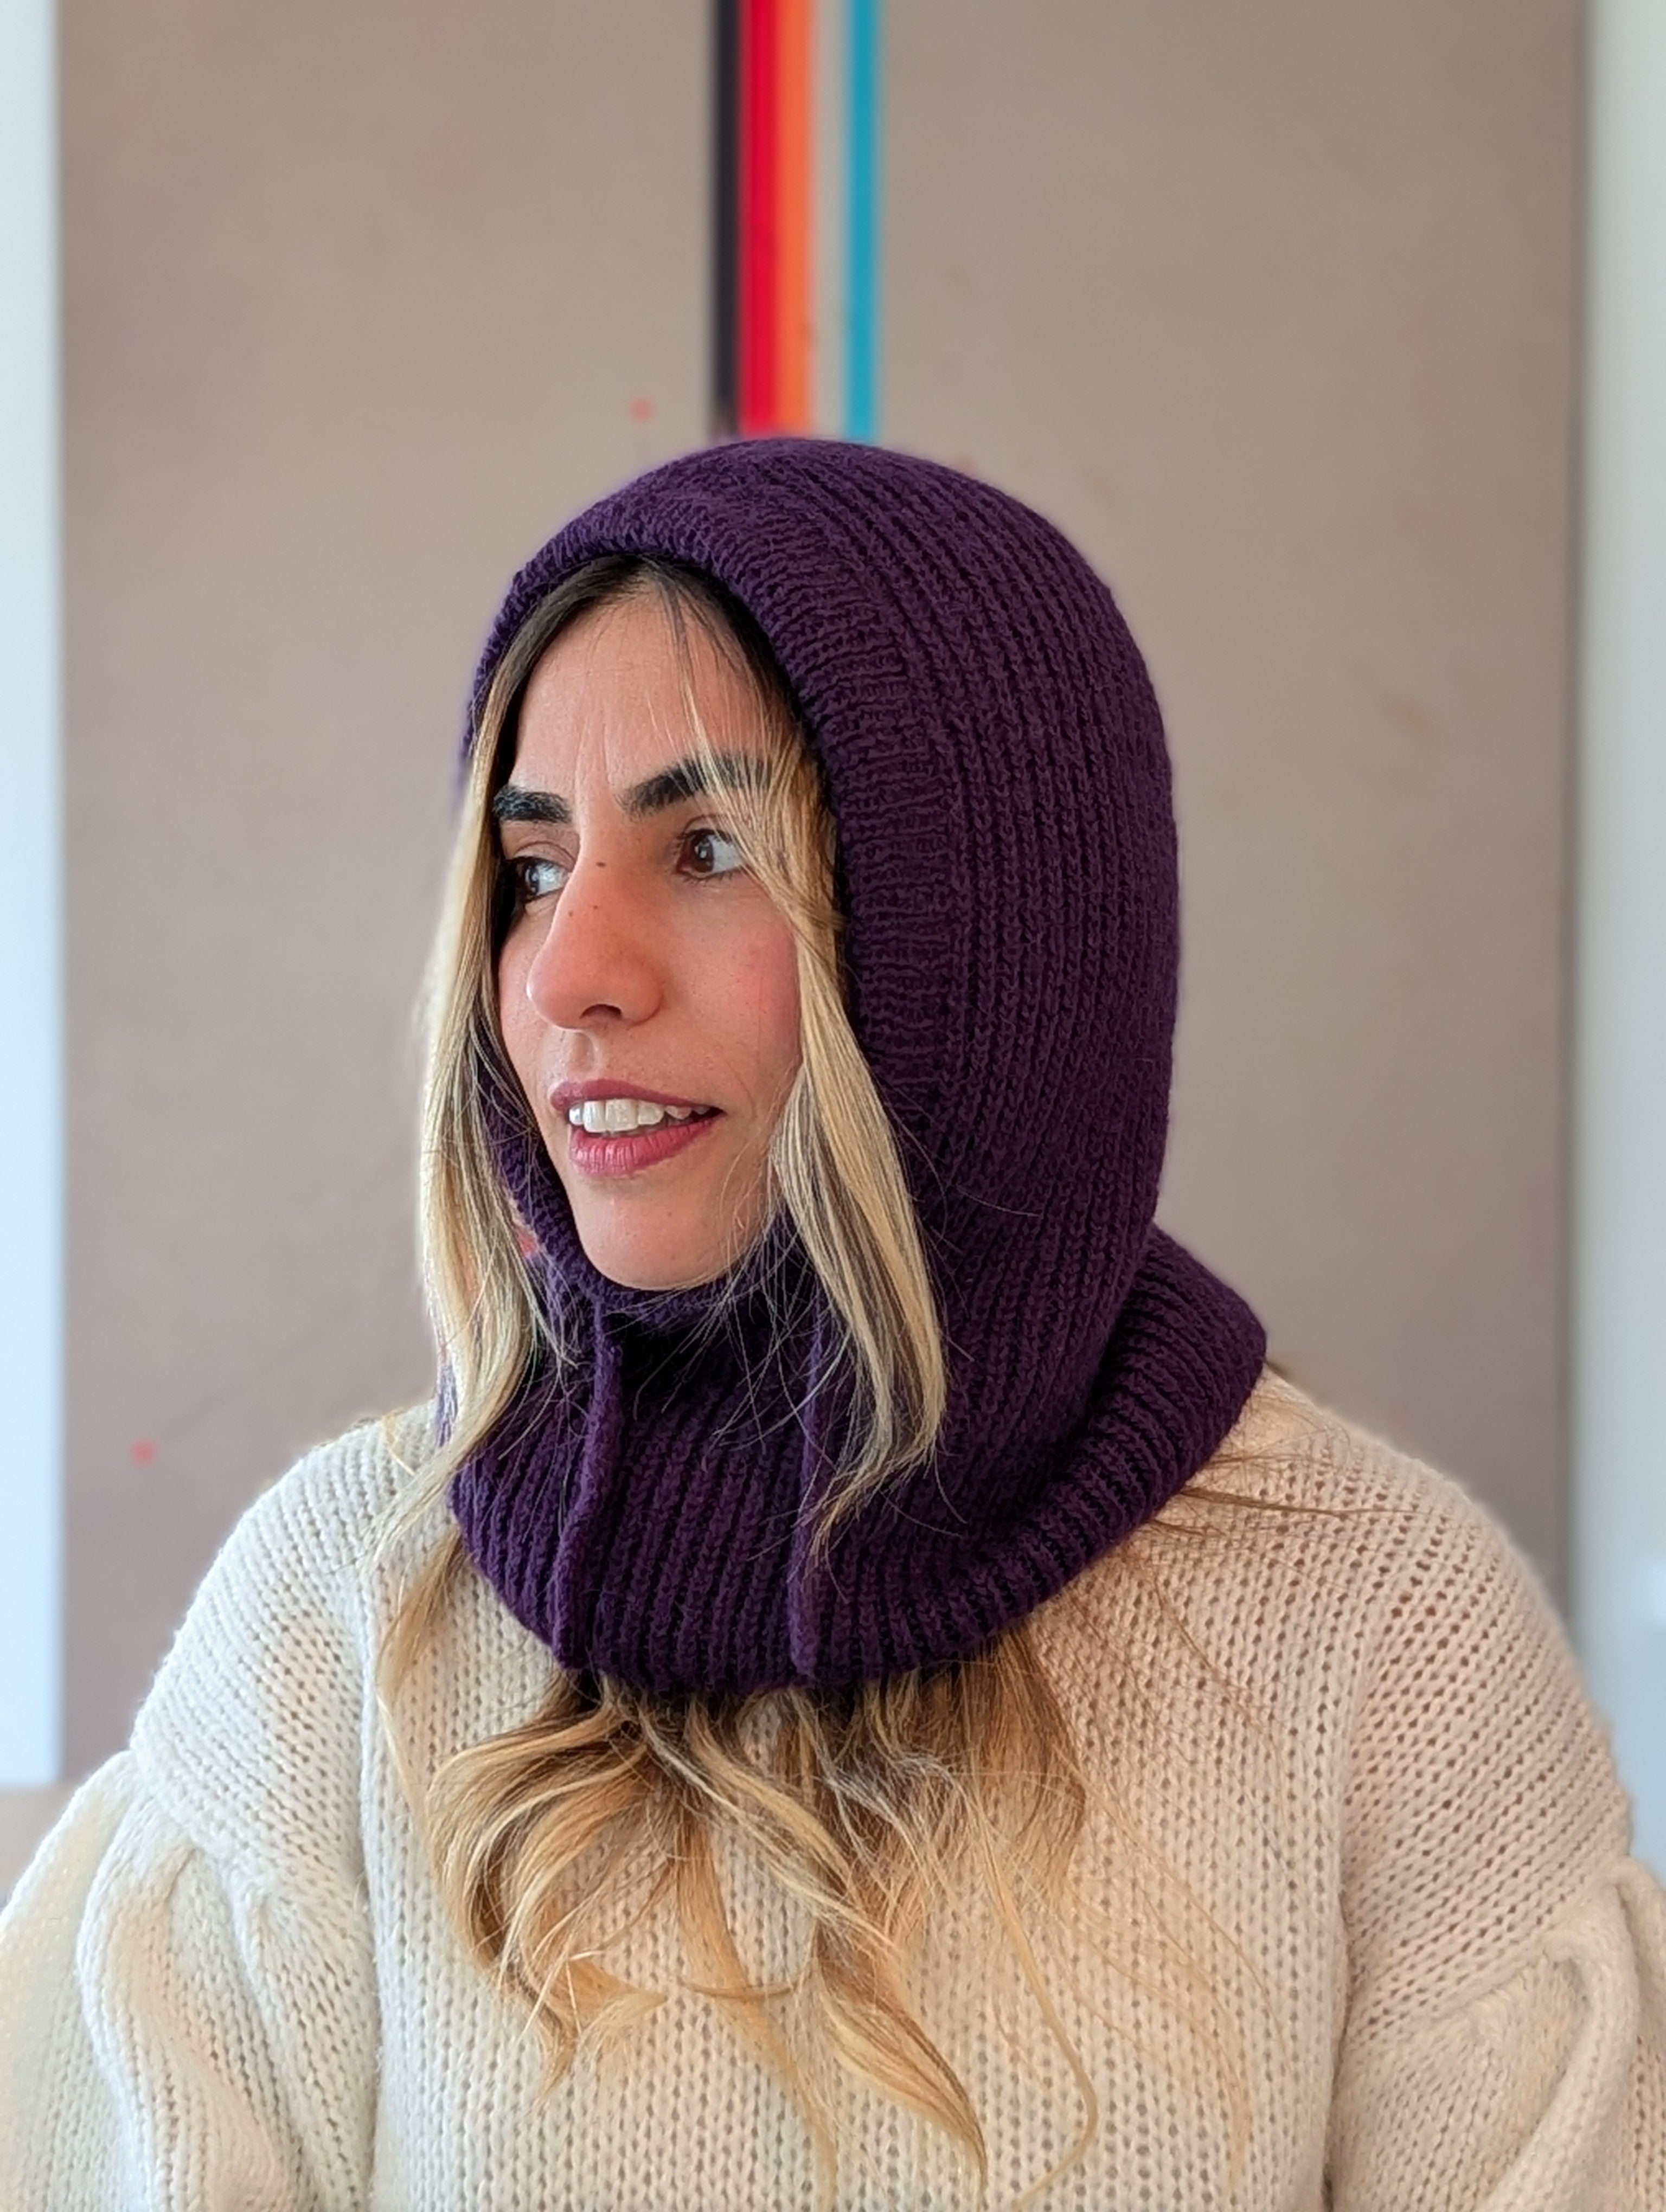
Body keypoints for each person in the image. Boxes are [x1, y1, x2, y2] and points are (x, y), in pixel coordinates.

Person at [2, 439, 1662, 2210]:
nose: (567, 975)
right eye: (534, 865)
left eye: (711, 846)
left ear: (1000, 945)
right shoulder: (336, 1621)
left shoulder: (1383, 1634)